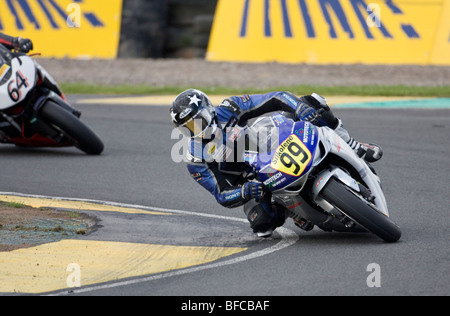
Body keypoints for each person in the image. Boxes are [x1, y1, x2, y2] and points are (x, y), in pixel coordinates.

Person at [170, 89, 383, 237]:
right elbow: (222, 194)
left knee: (312, 101)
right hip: (253, 179)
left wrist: (300, 109)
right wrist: (244, 192)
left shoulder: (230, 107)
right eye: (187, 128)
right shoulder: (195, 159)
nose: (195, 130)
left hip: (267, 144)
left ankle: (352, 145)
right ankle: (292, 210)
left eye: (197, 122)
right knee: (262, 226)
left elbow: (276, 97)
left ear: (208, 110)